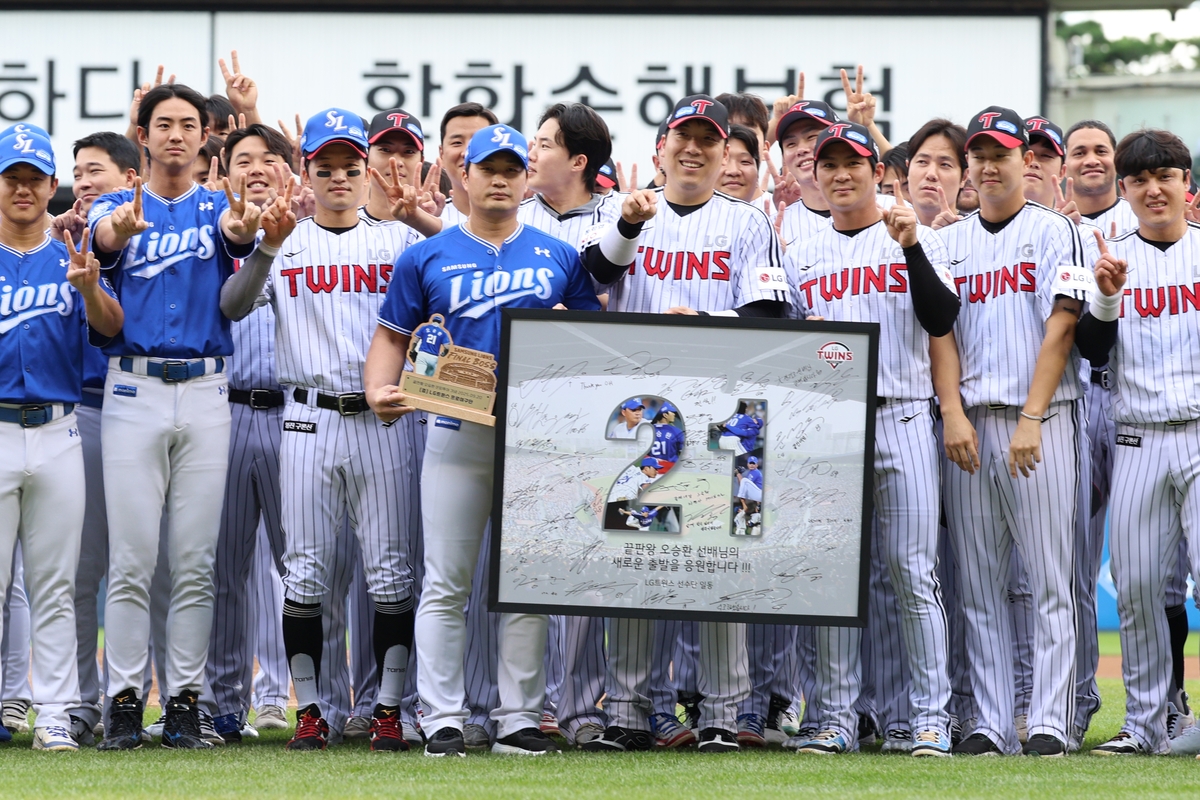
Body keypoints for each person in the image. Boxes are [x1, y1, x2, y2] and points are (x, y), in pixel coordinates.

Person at [364, 123, 601, 757]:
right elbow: (391, 336)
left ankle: (518, 717)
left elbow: (595, 341)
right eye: (487, 168)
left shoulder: (559, 256)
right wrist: (379, 389)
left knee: (525, 580)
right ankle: (442, 715)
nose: (499, 179)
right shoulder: (427, 254)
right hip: (454, 429)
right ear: (462, 176)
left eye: (511, 169)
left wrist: (571, 330)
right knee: (447, 580)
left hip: (534, 435)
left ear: (527, 179)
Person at [580, 94, 786, 754]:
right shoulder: (624, 210)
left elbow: (771, 313)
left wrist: (707, 323)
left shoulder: (747, 221)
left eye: (708, 139)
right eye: (683, 137)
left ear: (726, 153)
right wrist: (628, 225)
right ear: (660, 146)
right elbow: (593, 276)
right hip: (644, 412)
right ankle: (629, 710)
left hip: (724, 411)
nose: (694, 149)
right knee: (637, 555)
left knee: (722, 559)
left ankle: (723, 712)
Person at [218, 108, 425, 753]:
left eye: (349, 166)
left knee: (391, 574)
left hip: (384, 420)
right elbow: (232, 306)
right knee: (305, 574)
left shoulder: (399, 243)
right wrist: (266, 247)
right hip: (306, 418)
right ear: (305, 171)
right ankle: (310, 711)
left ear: (366, 171)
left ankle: (387, 710)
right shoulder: (285, 239)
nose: (339, 177)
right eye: (326, 166)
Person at [88, 83, 262, 751]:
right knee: (132, 559)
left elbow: (237, 233)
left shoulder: (219, 206)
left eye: (189, 124)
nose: (177, 135)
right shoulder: (116, 204)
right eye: (164, 124)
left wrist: (247, 232)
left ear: (204, 136)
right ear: (143, 135)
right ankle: (125, 700)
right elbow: (105, 236)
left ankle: (185, 700)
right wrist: (118, 231)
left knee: (193, 560)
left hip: (207, 389)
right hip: (133, 388)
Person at [786, 120, 957, 757]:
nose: (839, 174)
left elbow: (942, 318)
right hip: (830, 424)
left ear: (877, 171)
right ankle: (835, 716)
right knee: (832, 577)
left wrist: (911, 248)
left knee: (913, 574)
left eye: (851, 163)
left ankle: (930, 716)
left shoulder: (912, 233)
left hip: (902, 414)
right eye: (828, 164)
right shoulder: (801, 250)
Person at [936, 106, 1089, 758]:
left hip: (1042, 422)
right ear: (968, 164)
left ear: (1026, 160)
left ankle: (1049, 718)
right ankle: (991, 721)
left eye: (1001, 153)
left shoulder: (1055, 230)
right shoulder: (949, 242)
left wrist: (1031, 415)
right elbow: (941, 333)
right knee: (978, 584)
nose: (990, 165)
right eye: (980, 154)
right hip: (971, 424)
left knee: (1051, 579)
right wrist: (952, 412)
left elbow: (1065, 323)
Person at [1075, 129, 1200, 757]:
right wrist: (1105, 296)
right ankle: (1146, 724)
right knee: (1140, 585)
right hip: (1137, 437)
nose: (1154, 189)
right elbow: (1091, 354)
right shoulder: (1110, 257)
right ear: (1123, 189)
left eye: (1165, 176)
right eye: (1140, 179)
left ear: (1187, 184)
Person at [0, 128, 123, 751]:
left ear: (54, 186)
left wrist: (90, 287)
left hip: (58, 428)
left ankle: (53, 711)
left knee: (54, 583)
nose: (23, 189)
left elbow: (111, 329)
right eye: (12, 178)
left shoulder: (73, 252)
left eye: (34, 179)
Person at [1064, 120, 1138, 237]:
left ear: (1116, 160)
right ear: (1063, 167)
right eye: (1079, 153)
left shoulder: (1141, 219)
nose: (1092, 161)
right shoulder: (1049, 225)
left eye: (1101, 152)